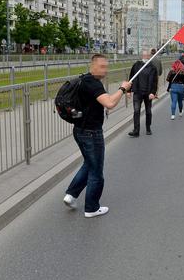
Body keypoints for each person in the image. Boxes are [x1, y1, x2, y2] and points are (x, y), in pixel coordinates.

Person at [63, 54, 132, 218]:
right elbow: (109, 103)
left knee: (89, 163)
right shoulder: (92, 83)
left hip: (80, 130)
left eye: (106, 66)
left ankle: (71, 195)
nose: (105, 69)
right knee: (96, 170)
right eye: (102, 66)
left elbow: (102, 102)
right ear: (92, 66)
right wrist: (123, 89)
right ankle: (92, 208)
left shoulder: (85, 80)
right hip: (91, 133)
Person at [127, 50, 158, 137]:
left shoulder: (153, 68)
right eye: (143, 55)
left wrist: (153, 93)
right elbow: (131, 77)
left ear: (149, 56)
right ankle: (136, 130)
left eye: (146, 55)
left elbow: (155, 82)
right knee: (136, 111)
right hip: (137, 92)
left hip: (148, 93)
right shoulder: (137, 65)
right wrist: (128, 91)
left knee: (148, 111)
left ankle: (148, 128)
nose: (145, 57)